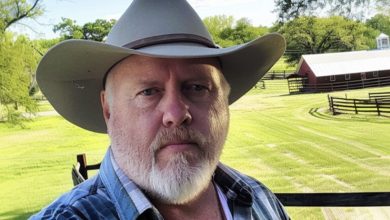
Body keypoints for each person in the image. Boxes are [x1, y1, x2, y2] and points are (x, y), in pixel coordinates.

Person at [30, 0, 289, 219]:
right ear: (108, 110)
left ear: (223, 102)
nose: (176, 114)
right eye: (148, 92)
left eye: (197, 87)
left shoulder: (262, 202)